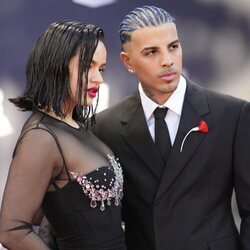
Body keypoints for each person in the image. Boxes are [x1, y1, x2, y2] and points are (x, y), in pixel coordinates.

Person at [93, 5, 250, 250]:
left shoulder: (232, 115)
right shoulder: (105, 127)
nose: (167, 61)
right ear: (127, 61)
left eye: (173, 47)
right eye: (151, 52)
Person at [0, 20, 126, 250]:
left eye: (102, 69)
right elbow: (12, 230)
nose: (99, 78)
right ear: (56, 65)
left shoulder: (77, 126)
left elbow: (58, 209)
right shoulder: (42, 137)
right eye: (88, 66)